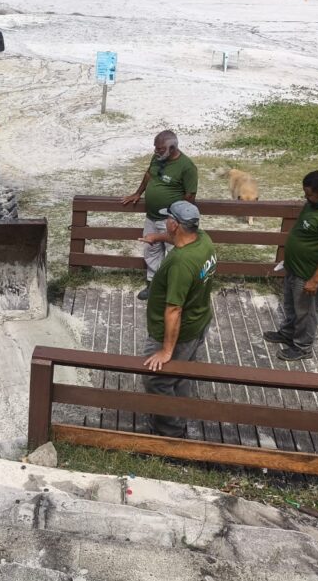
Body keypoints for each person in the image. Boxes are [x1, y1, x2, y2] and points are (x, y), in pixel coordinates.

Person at [139, 200, 217, 438]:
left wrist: (166, 350)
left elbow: (174, 310)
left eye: (168, 219)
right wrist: (157, 237)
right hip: (199, 321)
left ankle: (170, 432)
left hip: (179, 332)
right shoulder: (203, 239)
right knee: (181, 375)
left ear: (174, 224)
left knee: (156, 381)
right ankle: (180, 415)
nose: (165, 222)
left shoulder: (181, 263)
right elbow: (179, 239)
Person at [264, 170, 318, 361]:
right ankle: (288, 333)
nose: (306, 198)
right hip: (294, 267)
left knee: (306, 311)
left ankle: (303, 347)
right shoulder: (314, 204)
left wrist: (315, 280)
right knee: (290, 305)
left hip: (308, 274)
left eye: (309, 195)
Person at [122, 130, 197, 301]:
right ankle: (153, 286)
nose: (156, 152)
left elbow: (190, 196)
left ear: (173, 148)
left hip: (171, 220)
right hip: (152, 217)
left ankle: (174, 290)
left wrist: (176, 218)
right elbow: (149, 174)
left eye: (160, 149)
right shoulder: (157, 158)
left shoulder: (187, 167)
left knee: (174, 254)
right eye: (155, 148)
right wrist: (137, 193)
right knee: (151, 250)